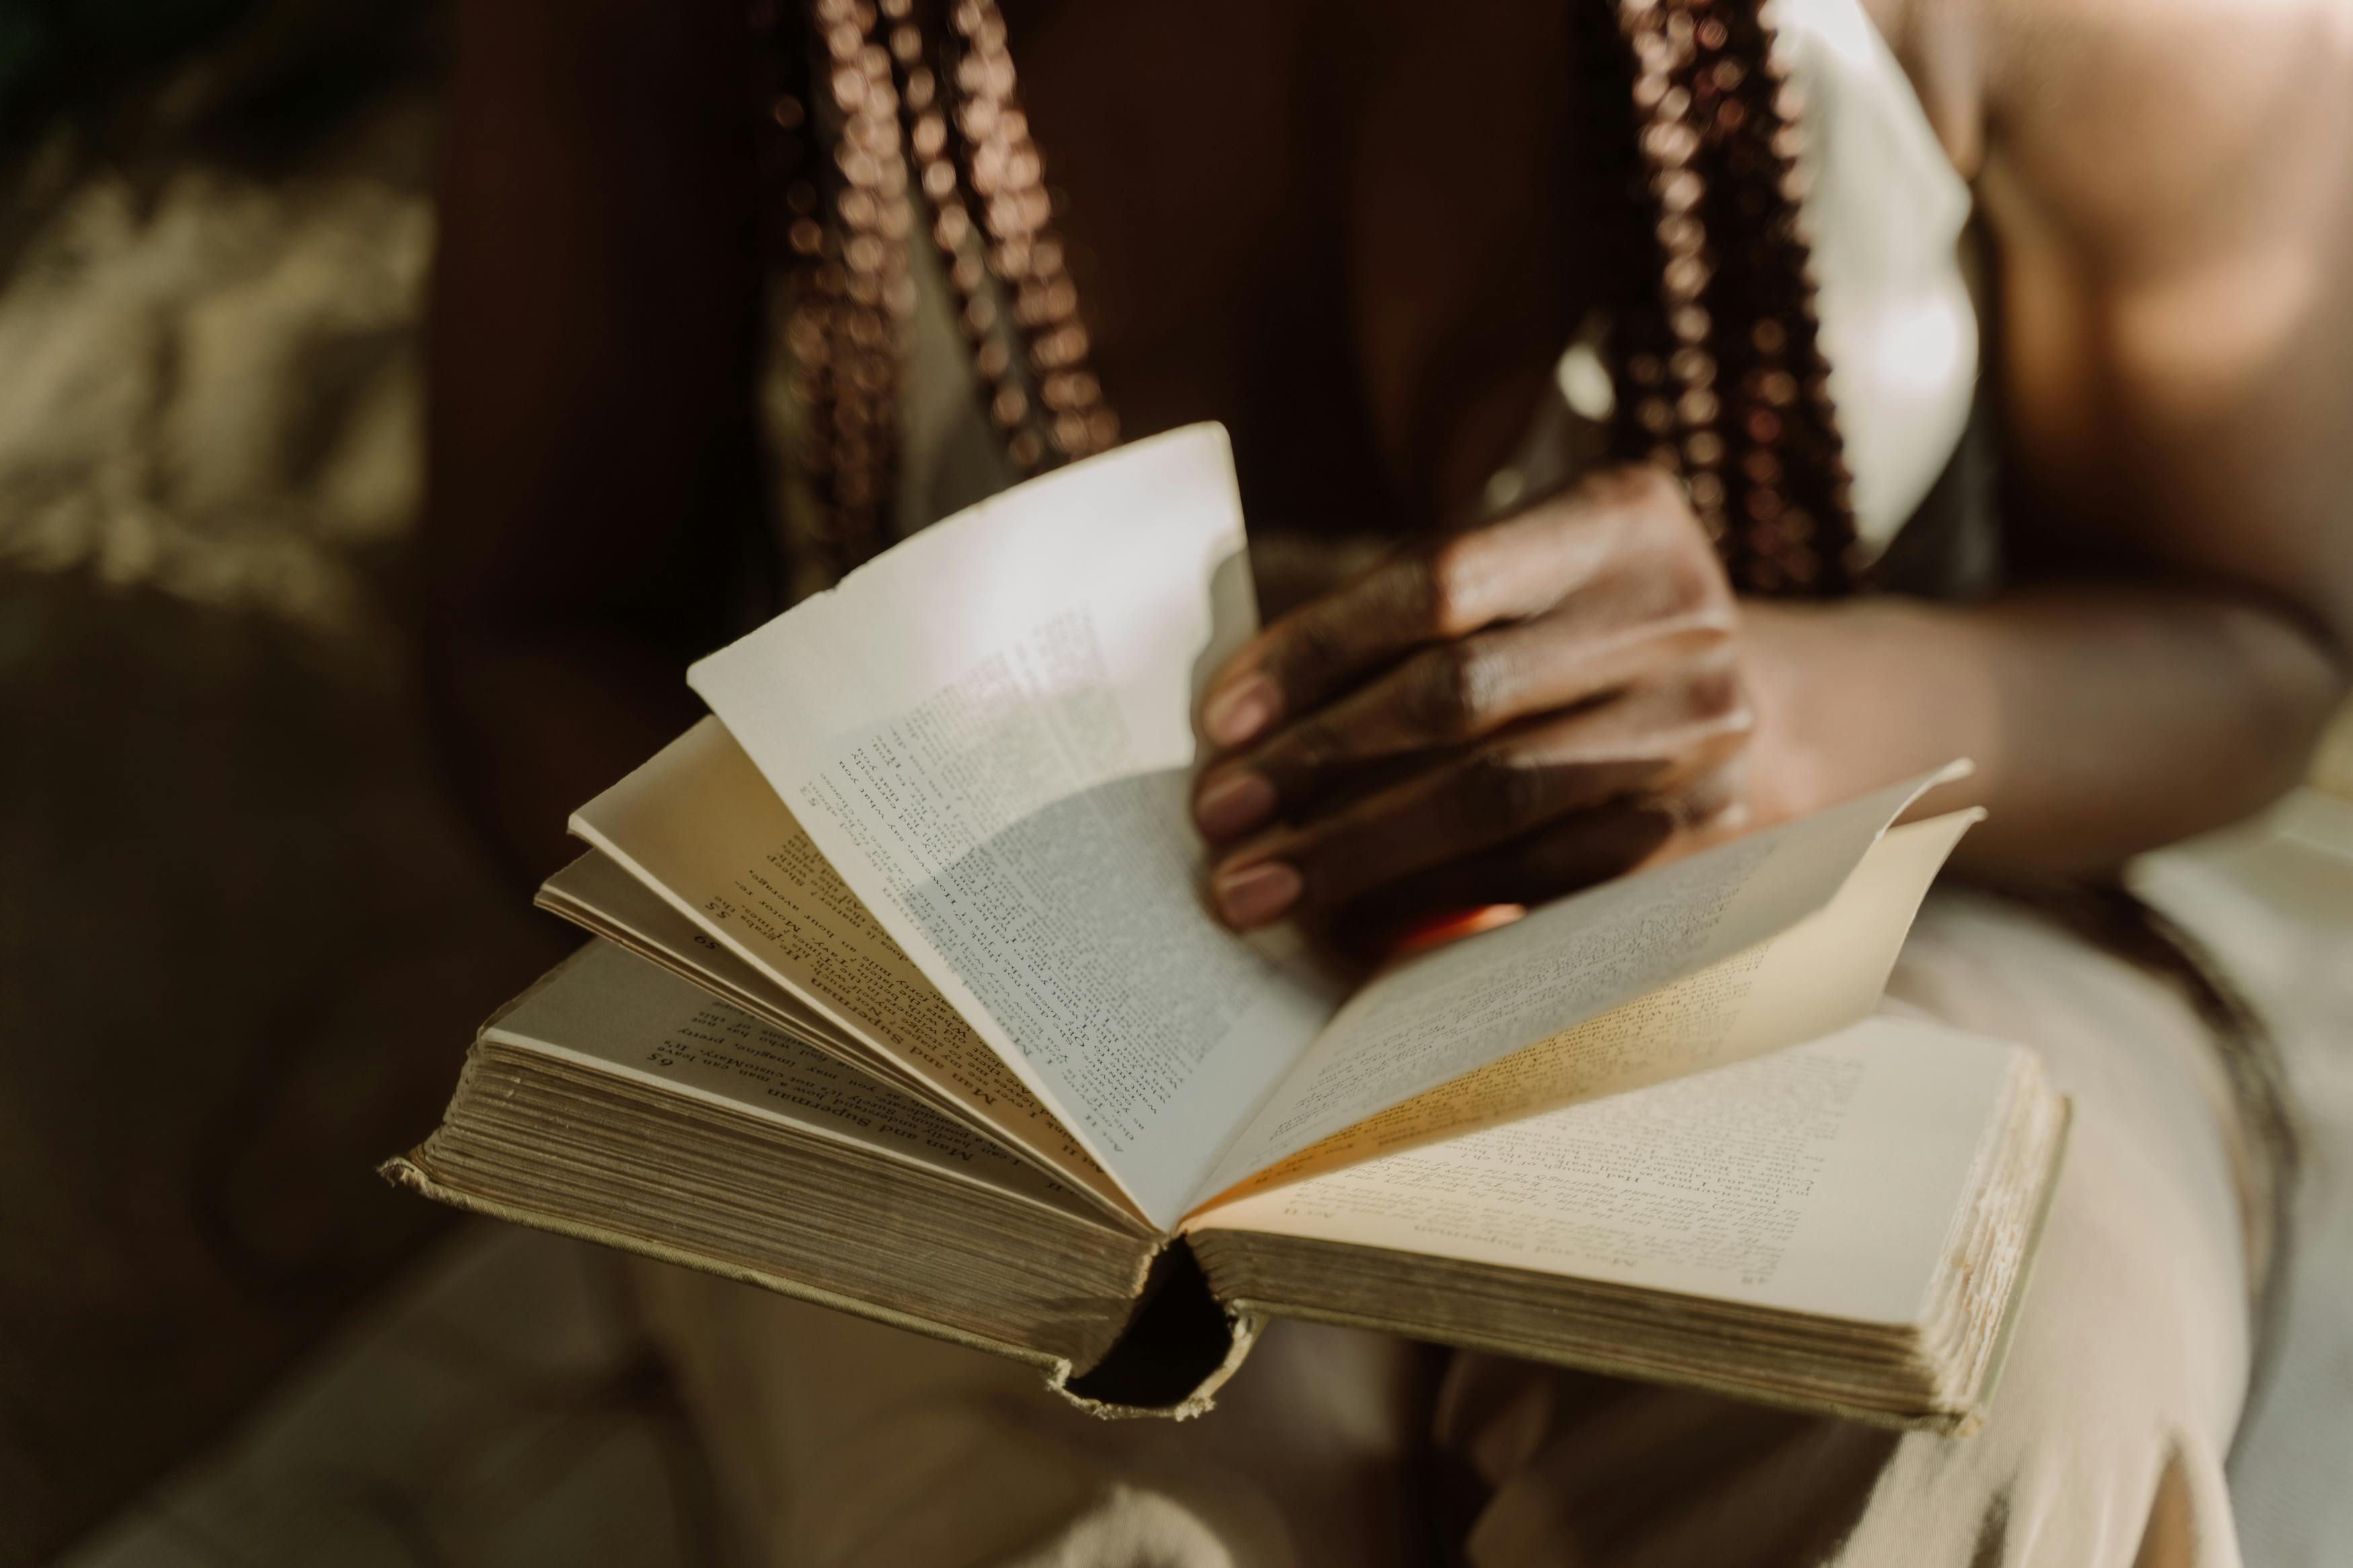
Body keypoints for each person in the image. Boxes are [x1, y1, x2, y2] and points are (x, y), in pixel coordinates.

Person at [420, 0, 2353, 1561]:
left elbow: (2253, 640)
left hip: (1880, 910)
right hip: (1013, 1068)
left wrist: (1784, 712)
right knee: (1076, 1530)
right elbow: (536, 625)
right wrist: (865, 983)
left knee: (1938, 1414)